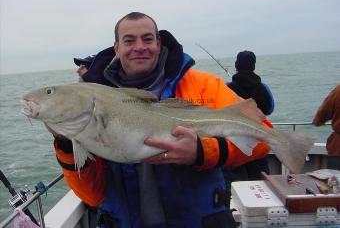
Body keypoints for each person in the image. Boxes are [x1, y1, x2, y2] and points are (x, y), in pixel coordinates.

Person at [51, 12, 271, 228]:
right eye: (129, 40)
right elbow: (92, 194)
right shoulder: (95, 100)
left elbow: (264, 137)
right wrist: (66, 143)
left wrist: (202, 151)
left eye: (147, 39)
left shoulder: (204, 85)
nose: (139, 47)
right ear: (117, 47)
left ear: (158, 43)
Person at [226, 51, 275, 181]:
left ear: (236, 65)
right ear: (253, 66)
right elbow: (270, 109)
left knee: (234, 184)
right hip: (258, 140)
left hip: (234, 142)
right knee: (260, 182)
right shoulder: (263, 88)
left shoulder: (226, 89)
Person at [312, 85, 340, 170]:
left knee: (335, 180)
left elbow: (323, 112)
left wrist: (318, 122)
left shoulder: (338, 90)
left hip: (338, 148)